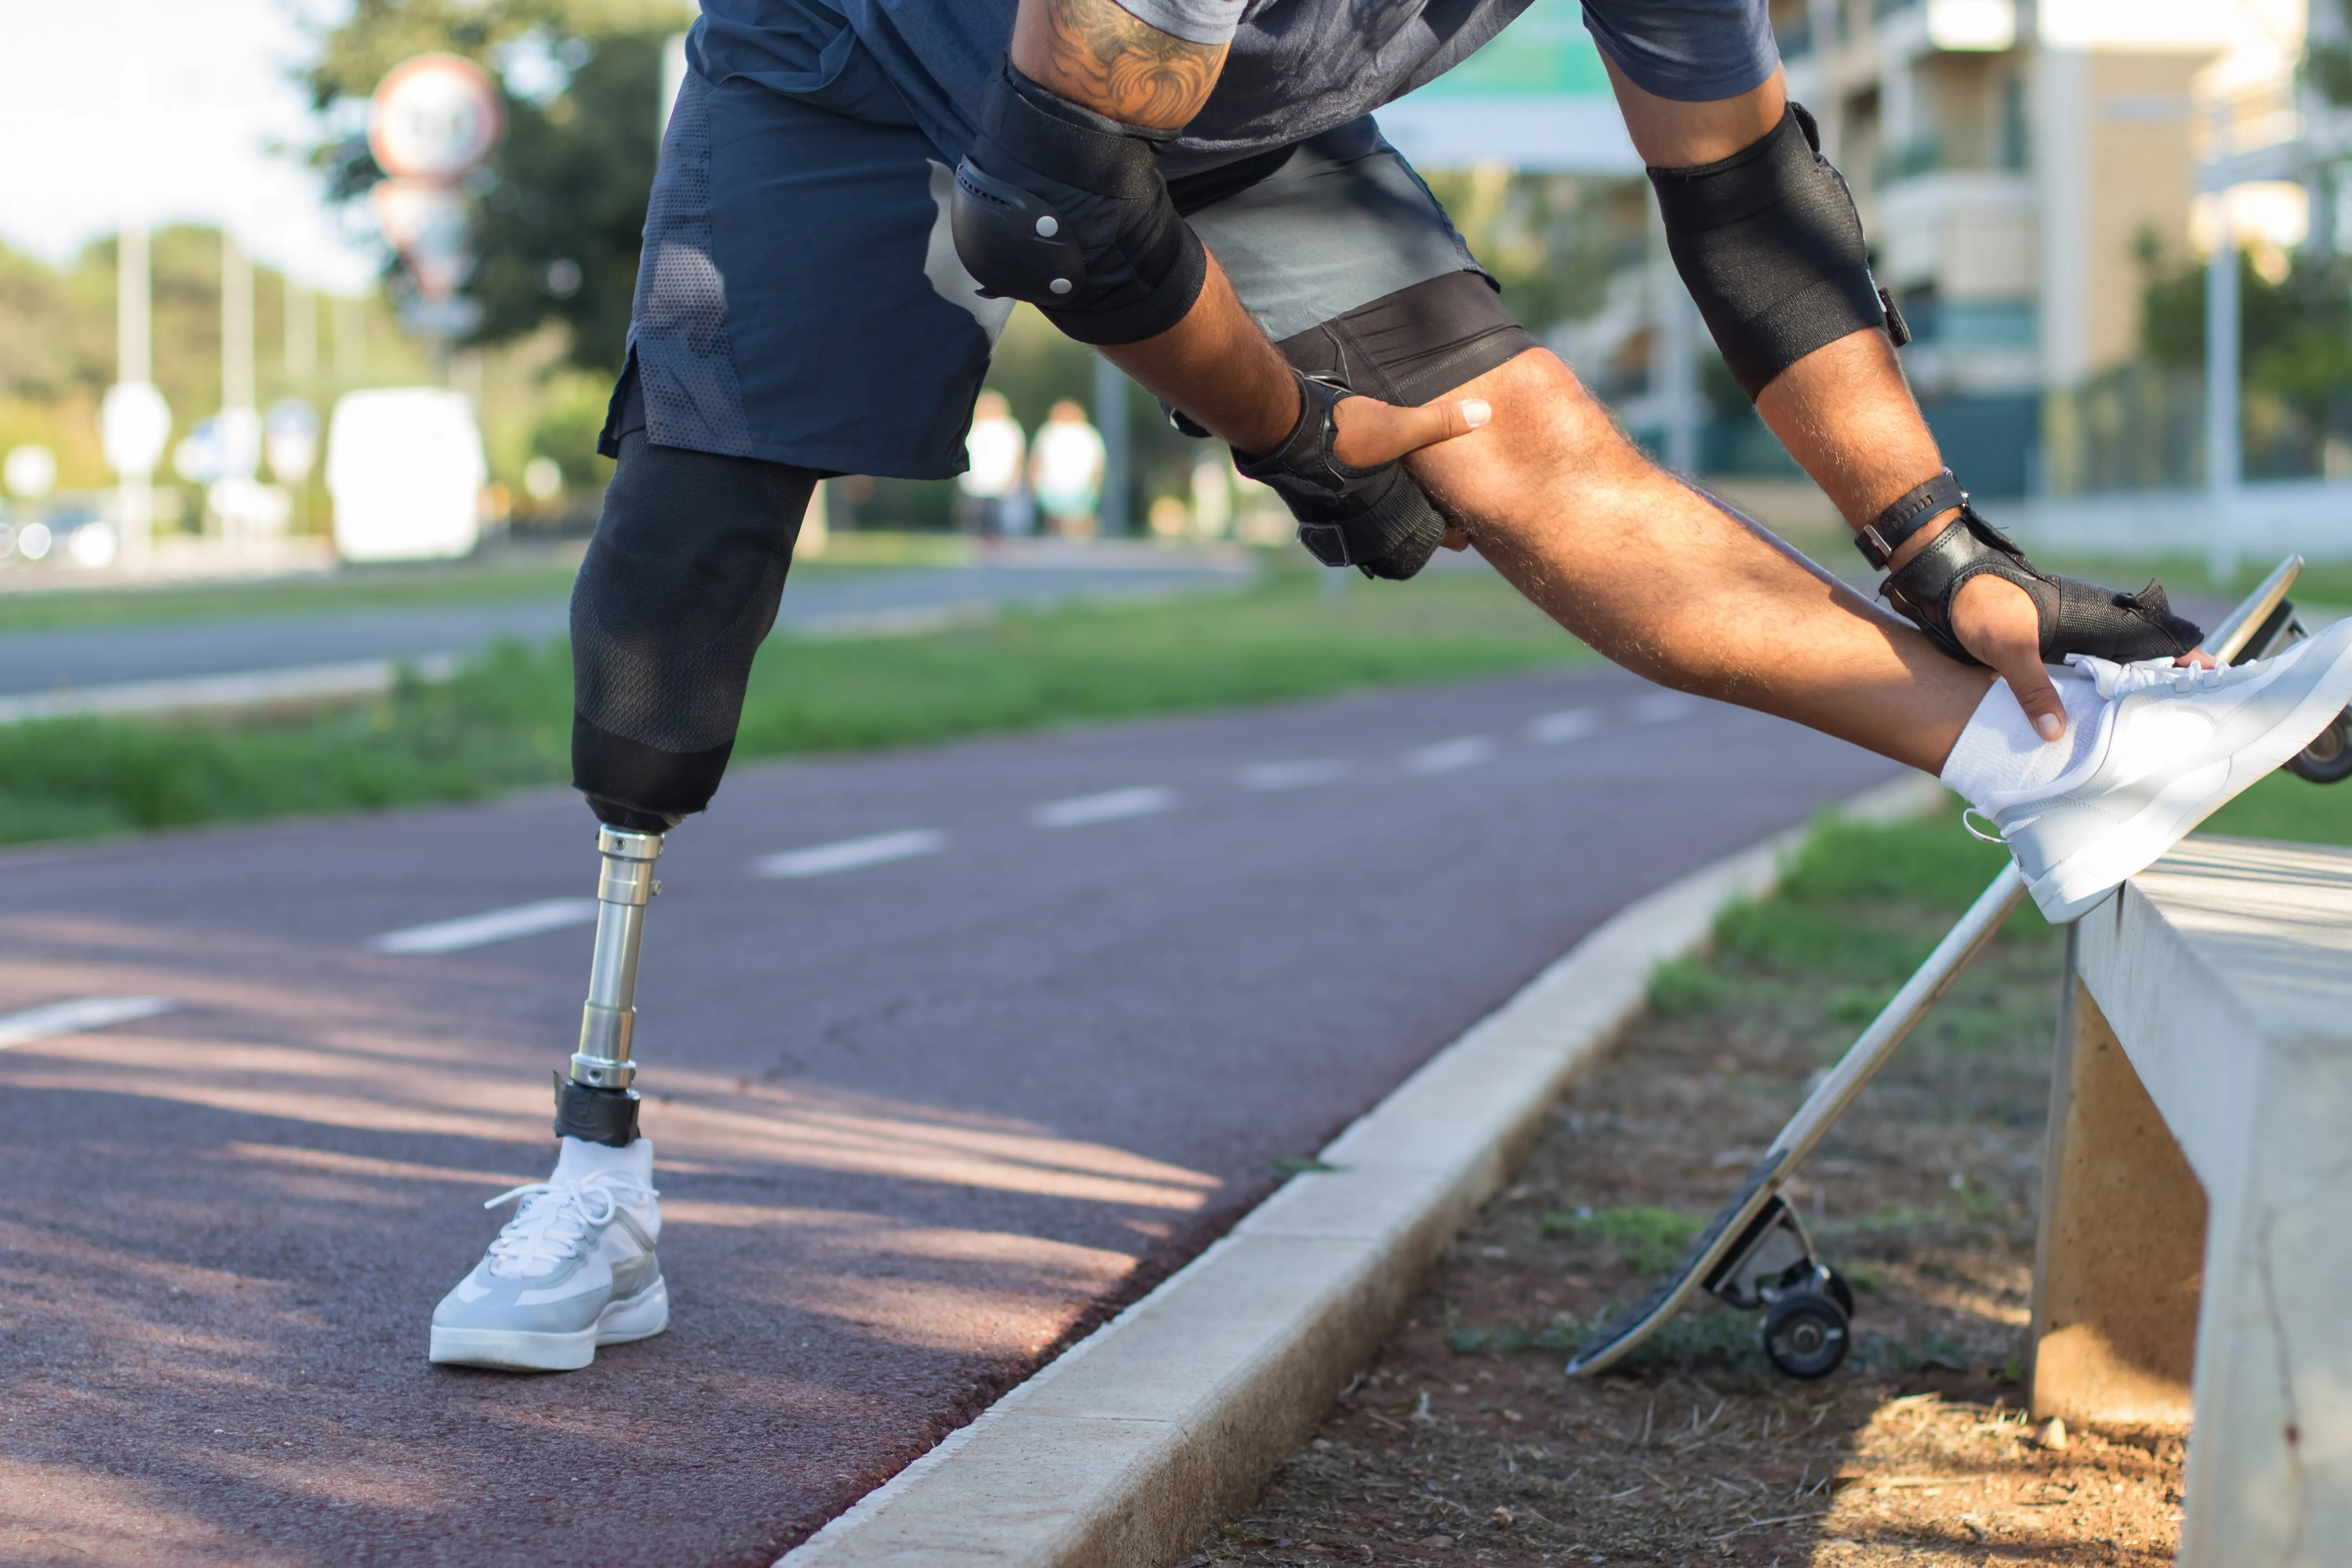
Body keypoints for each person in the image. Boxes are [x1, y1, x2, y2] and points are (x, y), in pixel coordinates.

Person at [426, 0, 2352, 1371]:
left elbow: (1750, 208)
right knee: (687, 554)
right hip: (845, 56)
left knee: (1518, 433)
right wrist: (1294, 429)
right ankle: (593, 1177)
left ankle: (2046, 761)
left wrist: (1940, 544)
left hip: (1186, 124)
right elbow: (1046, 221)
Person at [1029, 398, 1107, 534]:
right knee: (1060, 524)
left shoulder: (1087, 433)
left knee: (1075, 523)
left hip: (1077, 486)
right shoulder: (1049, 432)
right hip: (1054, 485)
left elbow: (1097, 464)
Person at [957, 389, 1028, 535]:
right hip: (975, 482)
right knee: (975, 518)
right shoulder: (971, 426)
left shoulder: (1010, 428)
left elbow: (1018, 454)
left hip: (1001, 482)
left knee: (996, 520)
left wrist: (1016, 476)